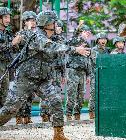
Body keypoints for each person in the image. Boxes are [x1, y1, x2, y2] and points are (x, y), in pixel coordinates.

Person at [0, 10, 90, 140]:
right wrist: (76, 49)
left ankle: (58, 134)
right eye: (53, 22)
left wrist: (79, 42)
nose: (56, 24)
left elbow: (65, 43)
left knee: (56, 102)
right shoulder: (38, 37)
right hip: (26, 79)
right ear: (47, 23)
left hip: (43, 79)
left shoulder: (52, 37)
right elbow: (52, 47)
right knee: (10, 109)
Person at [12, 11, 37, 124]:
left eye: (34, 20)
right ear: (25, 22)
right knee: (20, 94)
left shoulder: (37, 34)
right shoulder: (21, 33)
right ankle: (18, 117)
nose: (33, 22)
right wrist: (28, 30)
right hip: (22, 68)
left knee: (30, 94)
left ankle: (27, 116)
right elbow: (22, 45)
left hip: (33, 69)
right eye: (31, 20)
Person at [41, 20, 67, 123]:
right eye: (57, 27)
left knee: (56, 93)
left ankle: (52, 115)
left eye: (60, 27)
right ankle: (44, 114)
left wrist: (63, 73)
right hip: (48, 69)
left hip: (58, 70)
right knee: (46, 92)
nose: (58, 29)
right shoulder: (49, 38)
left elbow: (63, 58)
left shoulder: (62, 39)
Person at [66, 23, 91, 121]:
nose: (87, 34)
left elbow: (87, 60)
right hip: (73, 71)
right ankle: (68, 114)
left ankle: (77, 114)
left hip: (82, 72)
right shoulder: (74, 41)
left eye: (88, 32)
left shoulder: (87, 43)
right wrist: (80, 37)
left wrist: (88, 74)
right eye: (85, 32)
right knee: (71, 94)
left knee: (81, 96)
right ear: (80, 32)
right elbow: (68, 47)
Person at [88, 32, 110, 120]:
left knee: (104, 93)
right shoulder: (94, 50)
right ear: (98, 40)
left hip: (105, 75)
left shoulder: (108, 50)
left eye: (105, 39)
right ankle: (91, 111)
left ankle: (102, 111)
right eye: (101, 39)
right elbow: (95, 61)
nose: (103, 41)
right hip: (95, 74)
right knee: (94, 93)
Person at [0, 7, 15, 109]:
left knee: (4, 94)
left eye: (9, 17)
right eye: (5, 17)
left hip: (5, 66)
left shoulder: (8, 33)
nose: (8, 20)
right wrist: (12, 43)